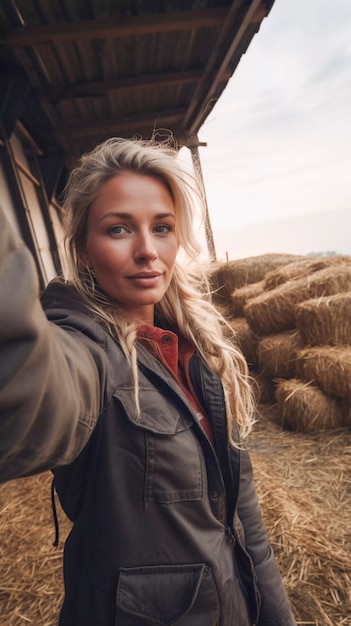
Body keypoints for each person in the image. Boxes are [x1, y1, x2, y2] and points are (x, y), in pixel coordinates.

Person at [0, 137, 297, 626]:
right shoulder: (88, 351)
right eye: (118, 229)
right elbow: (34, 400)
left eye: (162, 228)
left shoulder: (197, 349)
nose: (147, 251)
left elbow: (245, 523)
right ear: (83, 250)